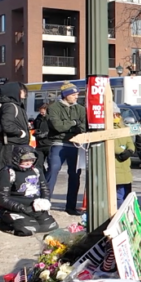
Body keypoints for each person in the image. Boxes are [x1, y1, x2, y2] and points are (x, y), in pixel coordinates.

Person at [46, 83, 86, 215]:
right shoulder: (53, 108)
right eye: (73, 94)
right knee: (53, 171)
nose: (76, 97)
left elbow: (83, 126)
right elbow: (57, 126)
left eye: (77, 94)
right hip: (58, 143)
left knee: (75, 175)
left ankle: (71, 207)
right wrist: (74, 123)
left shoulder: (80, 109)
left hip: (75, 145)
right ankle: (44, 204)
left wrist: (69, 126)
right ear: (65, 95)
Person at [0, 146, 56, 236]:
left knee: (50, 226)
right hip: (16, 208)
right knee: (28, 229)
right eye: (25, 160)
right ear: (17, 158)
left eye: (32, 159)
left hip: (34, 207)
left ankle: (28, 219)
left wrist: (44, 201)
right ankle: (5, 223)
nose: (29, 162)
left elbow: (44, 188)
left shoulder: (36, 170)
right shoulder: (8, 172)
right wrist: (22, 208)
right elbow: (3, 199)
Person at [0, 81, 31, 169]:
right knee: (8, 169)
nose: (25, 92)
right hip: (12, 145)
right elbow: (7, 125)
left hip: (19, 144)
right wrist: (20, 132)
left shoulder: (18, 106)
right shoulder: (10, 106)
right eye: (22, 90)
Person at [111, 106, 136, 208]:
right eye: (113, 115)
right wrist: (121, 152)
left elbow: (130, 141)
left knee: (127, 194)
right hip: (115, 164)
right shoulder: (106, 128)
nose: (116, 117)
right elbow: (110, 144)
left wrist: (130, 151)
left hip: (125, 165)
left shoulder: (124, 127)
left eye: (117, 114)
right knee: (119, 195)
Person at [32, 104, 51, 175]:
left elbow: (54, 130)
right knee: (38, 163)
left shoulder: (51, 118)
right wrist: (34, 130)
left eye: (43, 112)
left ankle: (48, 177)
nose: (41, 113)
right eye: (40, 112)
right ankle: (42, 177)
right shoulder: (38, 117)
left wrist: (45, 134)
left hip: (49, 144)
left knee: (51, 164)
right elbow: (35, 127)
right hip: (39, 144)